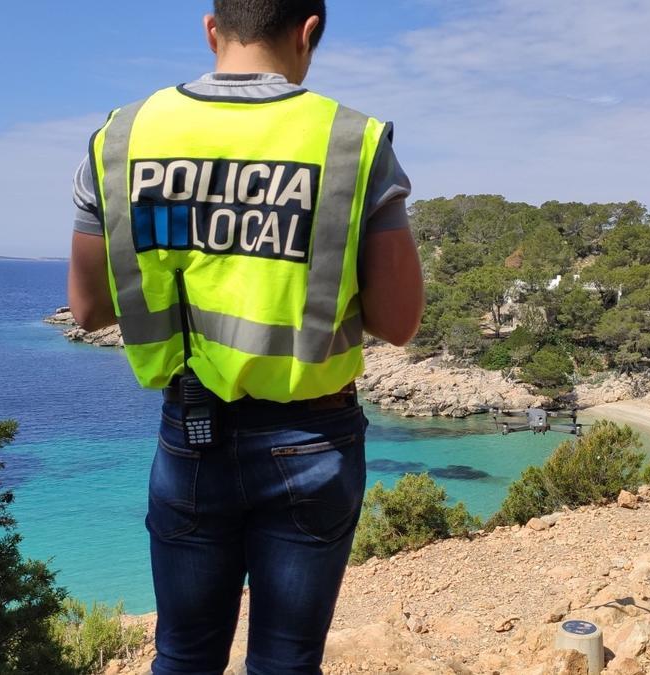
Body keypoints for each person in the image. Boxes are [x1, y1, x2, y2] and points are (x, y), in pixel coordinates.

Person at [65, 1, 424, 672]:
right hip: (314, 443)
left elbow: (86, 309)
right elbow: (400, 322)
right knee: (286, 663)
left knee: (183, 655)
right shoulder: (352, 141)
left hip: (189, 436)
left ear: (211, 29)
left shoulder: (121, 137)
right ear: (308, 32)